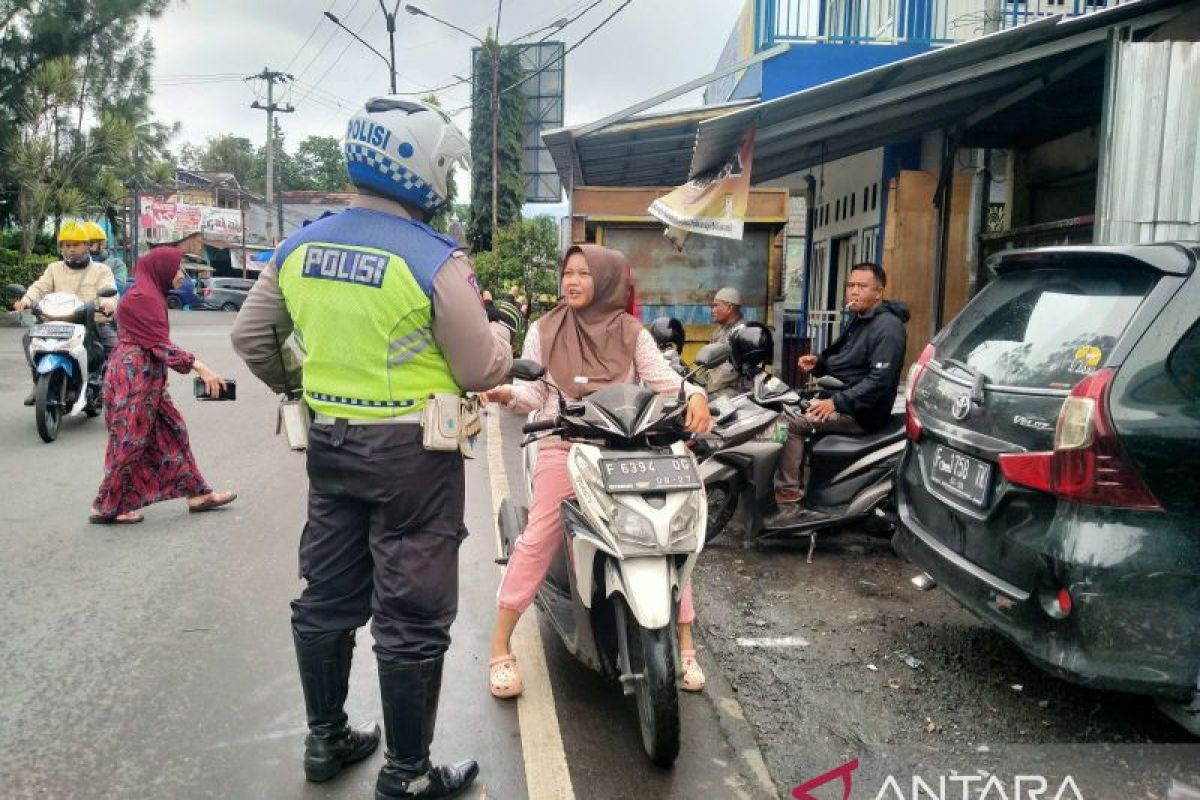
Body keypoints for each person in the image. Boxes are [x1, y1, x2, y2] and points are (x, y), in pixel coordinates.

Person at [231, 96, 512, 800]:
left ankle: (326, 740)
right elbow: (480, 368)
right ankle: (408, 774)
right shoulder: (434, 256)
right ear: (420, 168)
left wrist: (302, 385)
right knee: (413, 612)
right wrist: (506, 337)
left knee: (326, 594)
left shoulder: (299, 246)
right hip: (416, 459)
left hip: (330, 447)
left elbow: (251, 337)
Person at [480, 244, 713, 700]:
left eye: (584, 274)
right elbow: (532, 396)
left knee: (670, 533)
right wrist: (506, 393)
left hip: (629, 450)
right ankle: (499, 647)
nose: (572, 281)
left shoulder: (631, 332)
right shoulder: (543, 330)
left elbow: (663, 381)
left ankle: (685, 642)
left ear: (606, 280)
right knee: (539, 536)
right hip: (565, 446)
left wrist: (696, 394)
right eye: (568, 273)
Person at [89, 247, 236, 524]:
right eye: (178, 269)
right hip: (133, 378)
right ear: (162, 270)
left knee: (173, 431)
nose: (181, 276)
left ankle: (197, 493)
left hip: (147, 377)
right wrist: (201, 367)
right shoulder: (142, 297)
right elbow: (159, 345)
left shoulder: (151, 295)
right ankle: (106, 506)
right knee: (129, 440)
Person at [765, 262, 908, 527]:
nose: (853, 292)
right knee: (782, 408)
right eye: (851, 286)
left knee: (791, 425)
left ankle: (788, 501)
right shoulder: (862, 320)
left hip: (862, 412)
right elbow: (848, 360)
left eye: (861, 287)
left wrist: (835, 402)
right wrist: (818, 363)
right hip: (844, 400)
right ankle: (800, 479)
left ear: (878, 292)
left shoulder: (888, 328)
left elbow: (880, 380)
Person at [14, 221, 119, 407]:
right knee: (28, 338)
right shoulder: (54, 269)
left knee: (115, 349)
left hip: (93, 322)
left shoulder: (101, 270)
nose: (71, 250)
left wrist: (108, 304)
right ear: (61, 248)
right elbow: (40, 287)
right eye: (67, 245)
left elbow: (109, 291)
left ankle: (110, 389)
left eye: (76, 245)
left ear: (87, 245)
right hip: (56, 322)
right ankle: (38, 382)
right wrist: (26, 300)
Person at [704, 286, 745, 397]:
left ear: (729, 308)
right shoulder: (718, 332)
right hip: (717, 387)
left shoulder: (741, 333)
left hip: (735, 390)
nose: (713, 311)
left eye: (716, 306)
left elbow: (732, 370)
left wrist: (705, 386)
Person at [84, 220, 128, 294]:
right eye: (78, 244)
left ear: (102, 244)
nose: (83, 247)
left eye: (90, 243)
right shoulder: (70, 265)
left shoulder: (117, 265)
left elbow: (117, 288)